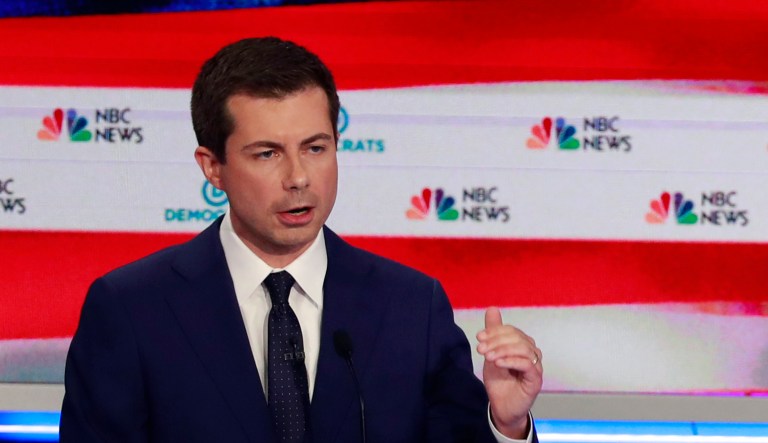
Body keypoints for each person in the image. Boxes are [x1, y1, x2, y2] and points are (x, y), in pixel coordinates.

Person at [60, 37, 543, 442]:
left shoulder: (412, 306)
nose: (298, 178)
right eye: (267, 153)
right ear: (212, 167)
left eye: (316, 148)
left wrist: (506, 423)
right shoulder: (131, 308)